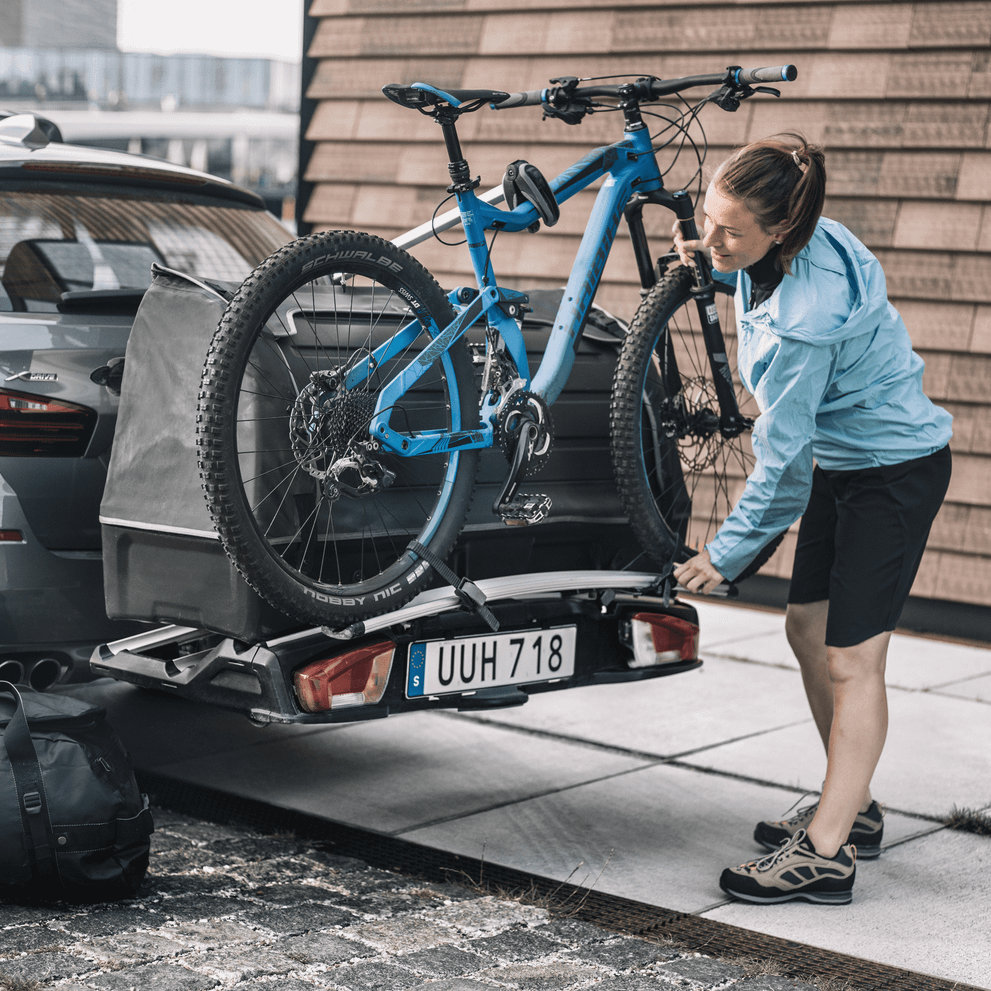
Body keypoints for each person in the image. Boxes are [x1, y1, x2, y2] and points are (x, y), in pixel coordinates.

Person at [671, 133, 953, 905]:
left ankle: (827, 851)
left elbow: (783, 464)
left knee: (853, 660)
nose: (712, 237)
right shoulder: (792, 241)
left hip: (890, 473)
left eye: (729, 231)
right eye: (707, 218)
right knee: (805, 629)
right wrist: (713, 255)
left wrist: (726, 554)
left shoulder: (807, 318)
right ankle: (851, 805)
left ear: (781, 233)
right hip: (848, 456)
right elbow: (745, 265)